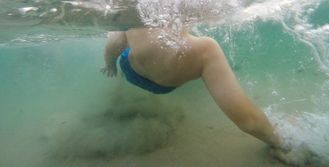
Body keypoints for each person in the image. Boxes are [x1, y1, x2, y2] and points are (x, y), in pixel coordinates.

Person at [101, 27, 282, 148]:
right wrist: (281, 142)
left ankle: (117, 88)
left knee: (121, 37)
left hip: (132, 72)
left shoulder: (132, 19)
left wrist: (110, 64)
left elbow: (113, 44)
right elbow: (249, 122)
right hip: (166, 86)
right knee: (191, 56)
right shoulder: (206, 49)